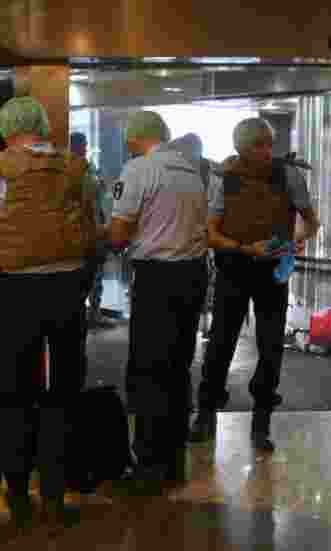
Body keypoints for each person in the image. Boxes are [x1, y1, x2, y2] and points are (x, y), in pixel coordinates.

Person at [0, 96, 96, 535]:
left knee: (14, 392)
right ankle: (54, 493)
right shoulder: (77, 169)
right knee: (62, 391)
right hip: (68, 291)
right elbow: (94, 229)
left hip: (17, 294)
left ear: (6, 130)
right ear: (42, 125)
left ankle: (17, 492)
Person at [191, 117, 320, 450]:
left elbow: (311, 221)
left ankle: (262, 419)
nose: (265, 152)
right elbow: (210, 232)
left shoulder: (288, 175)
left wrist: (296, 239)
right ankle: (206, 411)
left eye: (268, 144)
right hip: (234, 267)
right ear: (239, 148)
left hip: (273, 271)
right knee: (221, 342)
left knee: (271, 345)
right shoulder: (224, 176)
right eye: (257, 145)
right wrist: (243, 248)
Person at [111, 118, 211, 492]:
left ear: (136, 137)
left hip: (157, 278)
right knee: (177, 368)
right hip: (193, 274)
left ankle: (149, 466)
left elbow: (119, 235)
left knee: (150, 370)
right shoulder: (192, 170)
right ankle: (173, 462)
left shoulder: (139, 169)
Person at [71, 131, 111, 326]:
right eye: (82, 144)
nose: (84, 148)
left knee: (95, 273)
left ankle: (94, 312)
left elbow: (98, 192)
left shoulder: (88, 167)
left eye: (85, 144)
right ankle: (85, 314)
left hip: (93, 225)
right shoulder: (70, 170)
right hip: (83, 228)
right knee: (86, 274)